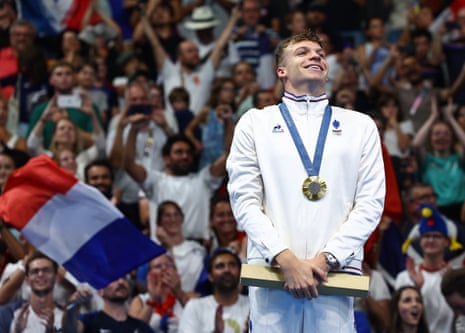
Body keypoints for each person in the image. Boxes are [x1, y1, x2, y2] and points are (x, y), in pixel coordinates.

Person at [226, 30, 386, 332]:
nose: (315, 56)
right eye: (302, 52)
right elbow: (244, 201)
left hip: (331, 276)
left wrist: (326, 260)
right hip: (273, 274)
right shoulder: (254, 123)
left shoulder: (360, 126)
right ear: (281, 71)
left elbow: (370, 203)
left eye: (320, 54)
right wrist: (286, 260)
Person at [395, 202, 456, 333]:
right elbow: (398, 318)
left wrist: (451, 288)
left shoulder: (455, 277)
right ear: (420, 241)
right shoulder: (404, 277)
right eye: (426, 236)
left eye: (437, 236)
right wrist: (418, 290)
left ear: (447, 242)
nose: (431, 240)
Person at [178, 248, 249, 333]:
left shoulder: (252, 306)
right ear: (210, 276)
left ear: (240, 272)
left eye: (232, 265)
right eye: (220, 266)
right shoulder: (195, 307)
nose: (227, 270)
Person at [62, 276, 154, 333]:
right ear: (100, 291)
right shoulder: (89, 321)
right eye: (113, 278)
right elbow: (69, 330)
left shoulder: (141, 327)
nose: (121, 282)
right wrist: (73, 303)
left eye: (124, 277)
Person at [129, 254, 186, 332]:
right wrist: (152, 299)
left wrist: (178, 292)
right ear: (148, 274)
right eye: (158, 266)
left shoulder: (187, 297)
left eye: (168, 265)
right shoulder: (139, 301)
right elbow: (135, 330)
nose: (164, 268)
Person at [9, 252, 63, 333]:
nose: (40, 274)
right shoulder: (17, 317)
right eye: (35, 271)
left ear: (56, 278)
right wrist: (17, 331)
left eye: (46, 270)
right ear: (27, 280)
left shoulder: (65, 319)